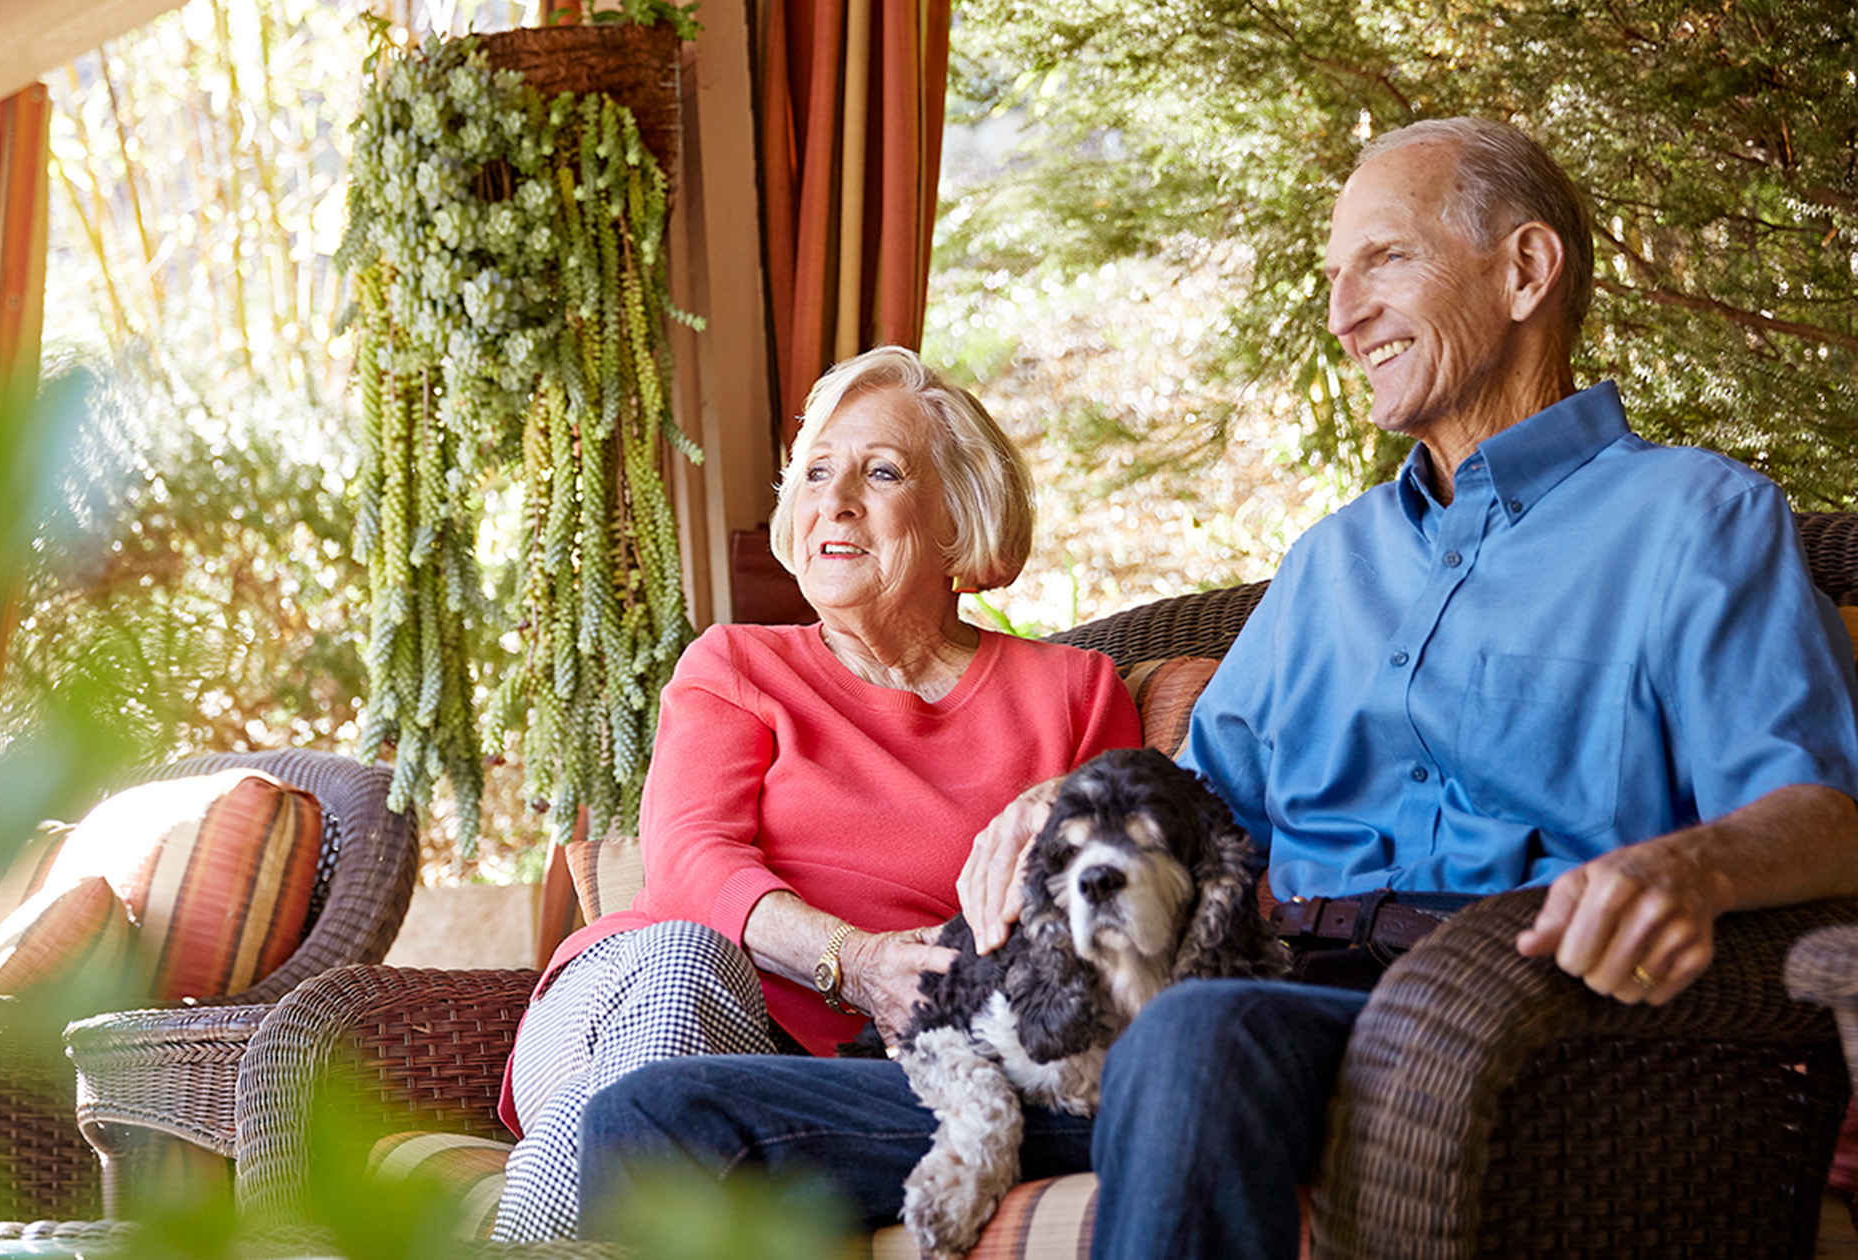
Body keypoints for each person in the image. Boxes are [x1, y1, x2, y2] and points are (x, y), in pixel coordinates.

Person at [574, 116, 1858, 1258]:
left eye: (1385, 260)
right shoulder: (1333, 562)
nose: (1345, 310)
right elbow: (1190, 797)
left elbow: (1825, 811)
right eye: (1335, 274)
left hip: (1503, 1021)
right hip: (1241, 1012)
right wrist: (1074, 808)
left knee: (1194, 1038)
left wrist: (1689, 869)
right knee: (665, 1116)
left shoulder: (1699, 521)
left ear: (1525, 270)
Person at [486, 345, 1144, 1241]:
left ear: (960, 512)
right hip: (641, 992)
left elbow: (1100, 909)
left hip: (862, 1069)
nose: (833, 501)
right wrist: (858, 962)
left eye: (880, 472)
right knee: (684, 971)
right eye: (815, 474)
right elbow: (687, 865)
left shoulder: (1073, 692)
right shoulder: (737, 663)